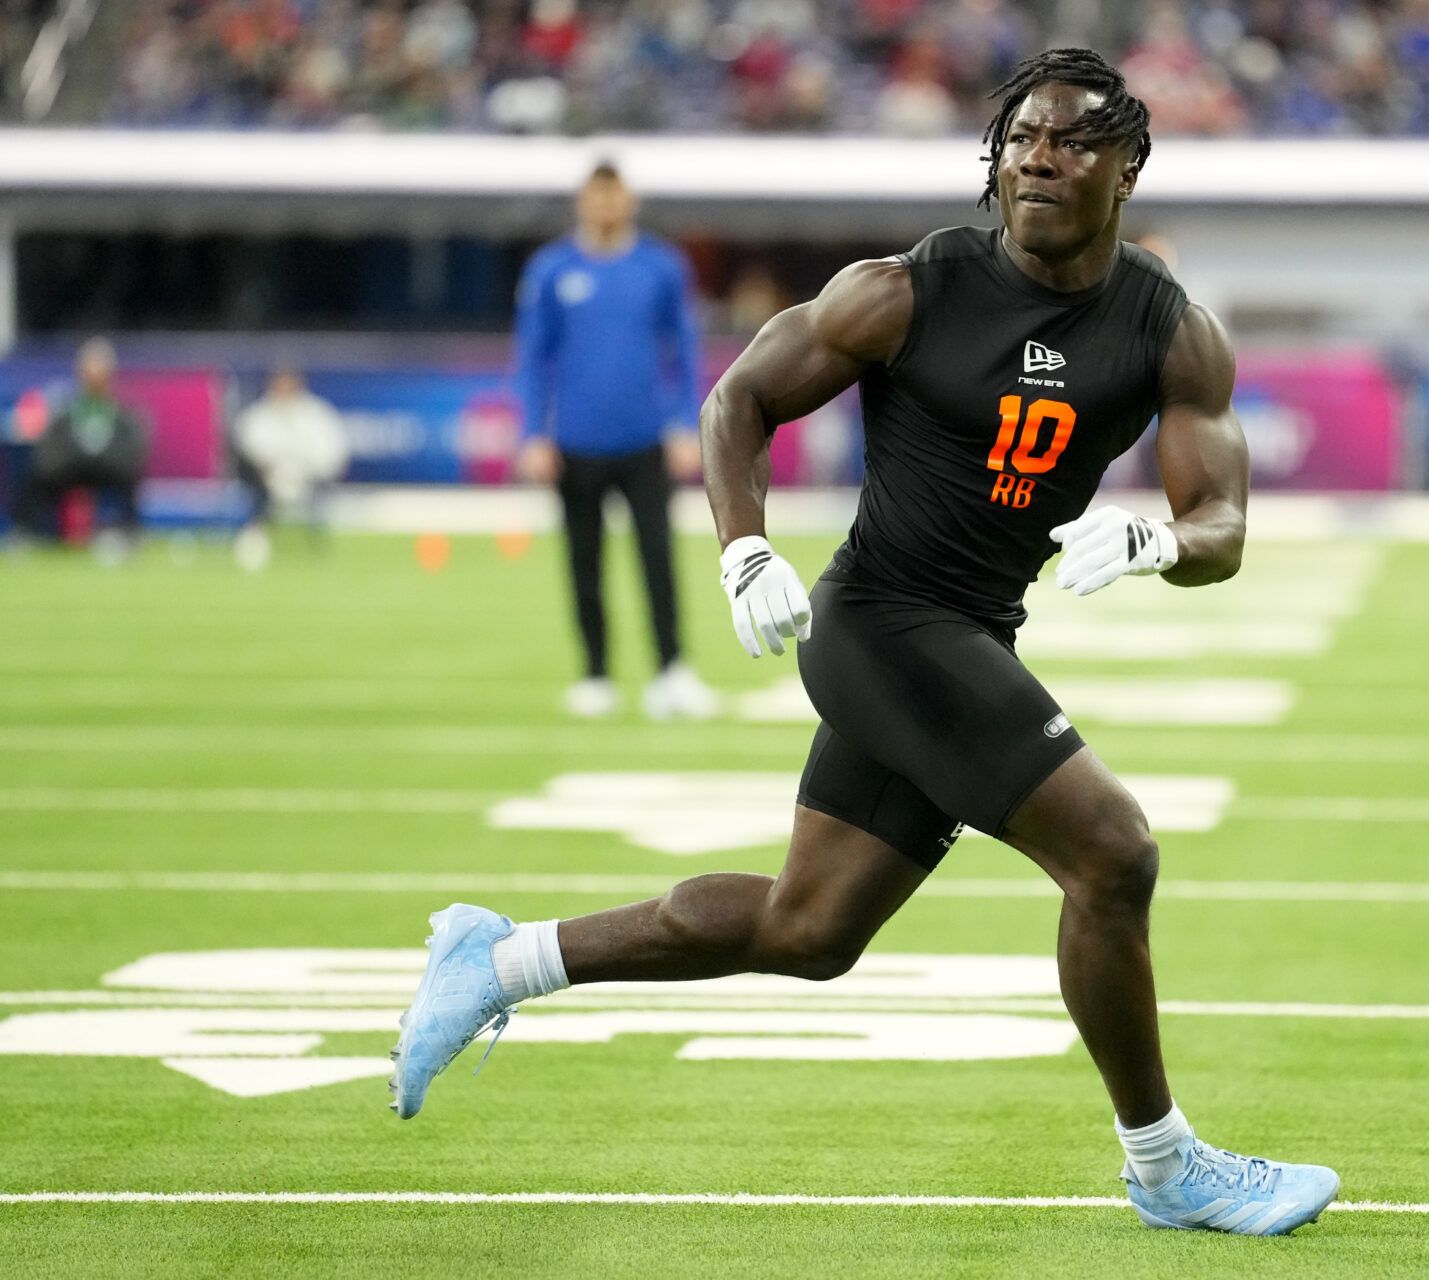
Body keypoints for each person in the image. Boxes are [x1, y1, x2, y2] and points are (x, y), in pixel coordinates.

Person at [390, 49, 1339, 1238]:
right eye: (1021, 140)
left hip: (971, 632)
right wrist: (745, 549)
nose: (1038, 161)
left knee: (810, 928)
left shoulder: (1171, 329)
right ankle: (1165, 1163)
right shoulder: (906, 290)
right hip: (880, 625)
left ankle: (500, 959)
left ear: (1128, 169)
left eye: (1072, 142)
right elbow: (739, 399)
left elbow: (1224, 525)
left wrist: (1159, 539)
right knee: (1113, 852)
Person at [515, 160, 717, 720]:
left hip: (644, 439)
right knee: (584, 562)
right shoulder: (552, 269)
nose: (606, 205)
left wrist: (685, 423)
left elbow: (684, 350)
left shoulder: (660, 266)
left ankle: (672, 671)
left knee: (658, 558)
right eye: (597, 195)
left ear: (629, 200)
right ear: (583, 201)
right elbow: (533, 357)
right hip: (575, 441)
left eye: (614, 194)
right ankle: (596, 675)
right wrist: (534, 433)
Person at [8, 338, 147, 562]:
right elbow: (52, 445)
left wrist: (110, 459)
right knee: (35, 474)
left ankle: (128, 534)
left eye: (100, 370)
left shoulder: (121, 411)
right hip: (72, 468)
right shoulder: (68, 407)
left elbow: (133, 448)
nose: (95, 376)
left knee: (132, 478)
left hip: (109, 470)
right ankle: (24, 534)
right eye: (90, 370)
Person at [230, 363, 350, 571]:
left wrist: (308, 473)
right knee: (258, 488)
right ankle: (256, 534)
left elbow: (331, 451)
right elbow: (247, 444)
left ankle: (313, 542)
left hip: (309, 478)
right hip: (267, 479)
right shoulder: (259, 414)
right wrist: (269, 469)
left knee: (310, 492)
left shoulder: (316, 413)